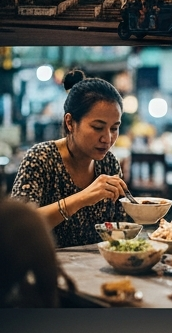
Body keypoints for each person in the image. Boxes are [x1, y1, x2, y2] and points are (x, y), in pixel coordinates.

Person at [10, 71, 130, 248]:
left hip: (98, 263)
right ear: (70, 122)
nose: (107, 138)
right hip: (47, 262)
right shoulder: (41, 158)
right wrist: (82, 198)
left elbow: (118, 230)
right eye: (98, 127)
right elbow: (17, 227)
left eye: (114, 128)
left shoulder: (109, 163)